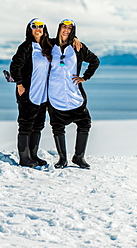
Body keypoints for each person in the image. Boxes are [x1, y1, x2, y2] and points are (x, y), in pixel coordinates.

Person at [48, 19, 100, 169]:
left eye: (70, 28)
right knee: (57, 127)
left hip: (74, 95)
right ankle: (62, 159)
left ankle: (79, 157)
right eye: (64, 27)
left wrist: (85, 77)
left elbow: (94, 61)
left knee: (85, 123)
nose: (67, 30)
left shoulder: (78, 48)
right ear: (59, 29)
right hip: (55, 95)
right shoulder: (50, 45)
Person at [10, 18, 52, 167]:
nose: (37, 29)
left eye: (40, 26)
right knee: (26, 125)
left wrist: (76, 38)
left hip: (42, 94)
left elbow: (64, 40)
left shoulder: (47, 46)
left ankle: (34, 155)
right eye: (34, 26)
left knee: (38, 125)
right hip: (28, 92)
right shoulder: (26, 46)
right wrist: (19, 84)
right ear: (30, 29)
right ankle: (24, 158)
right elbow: (15, 66)